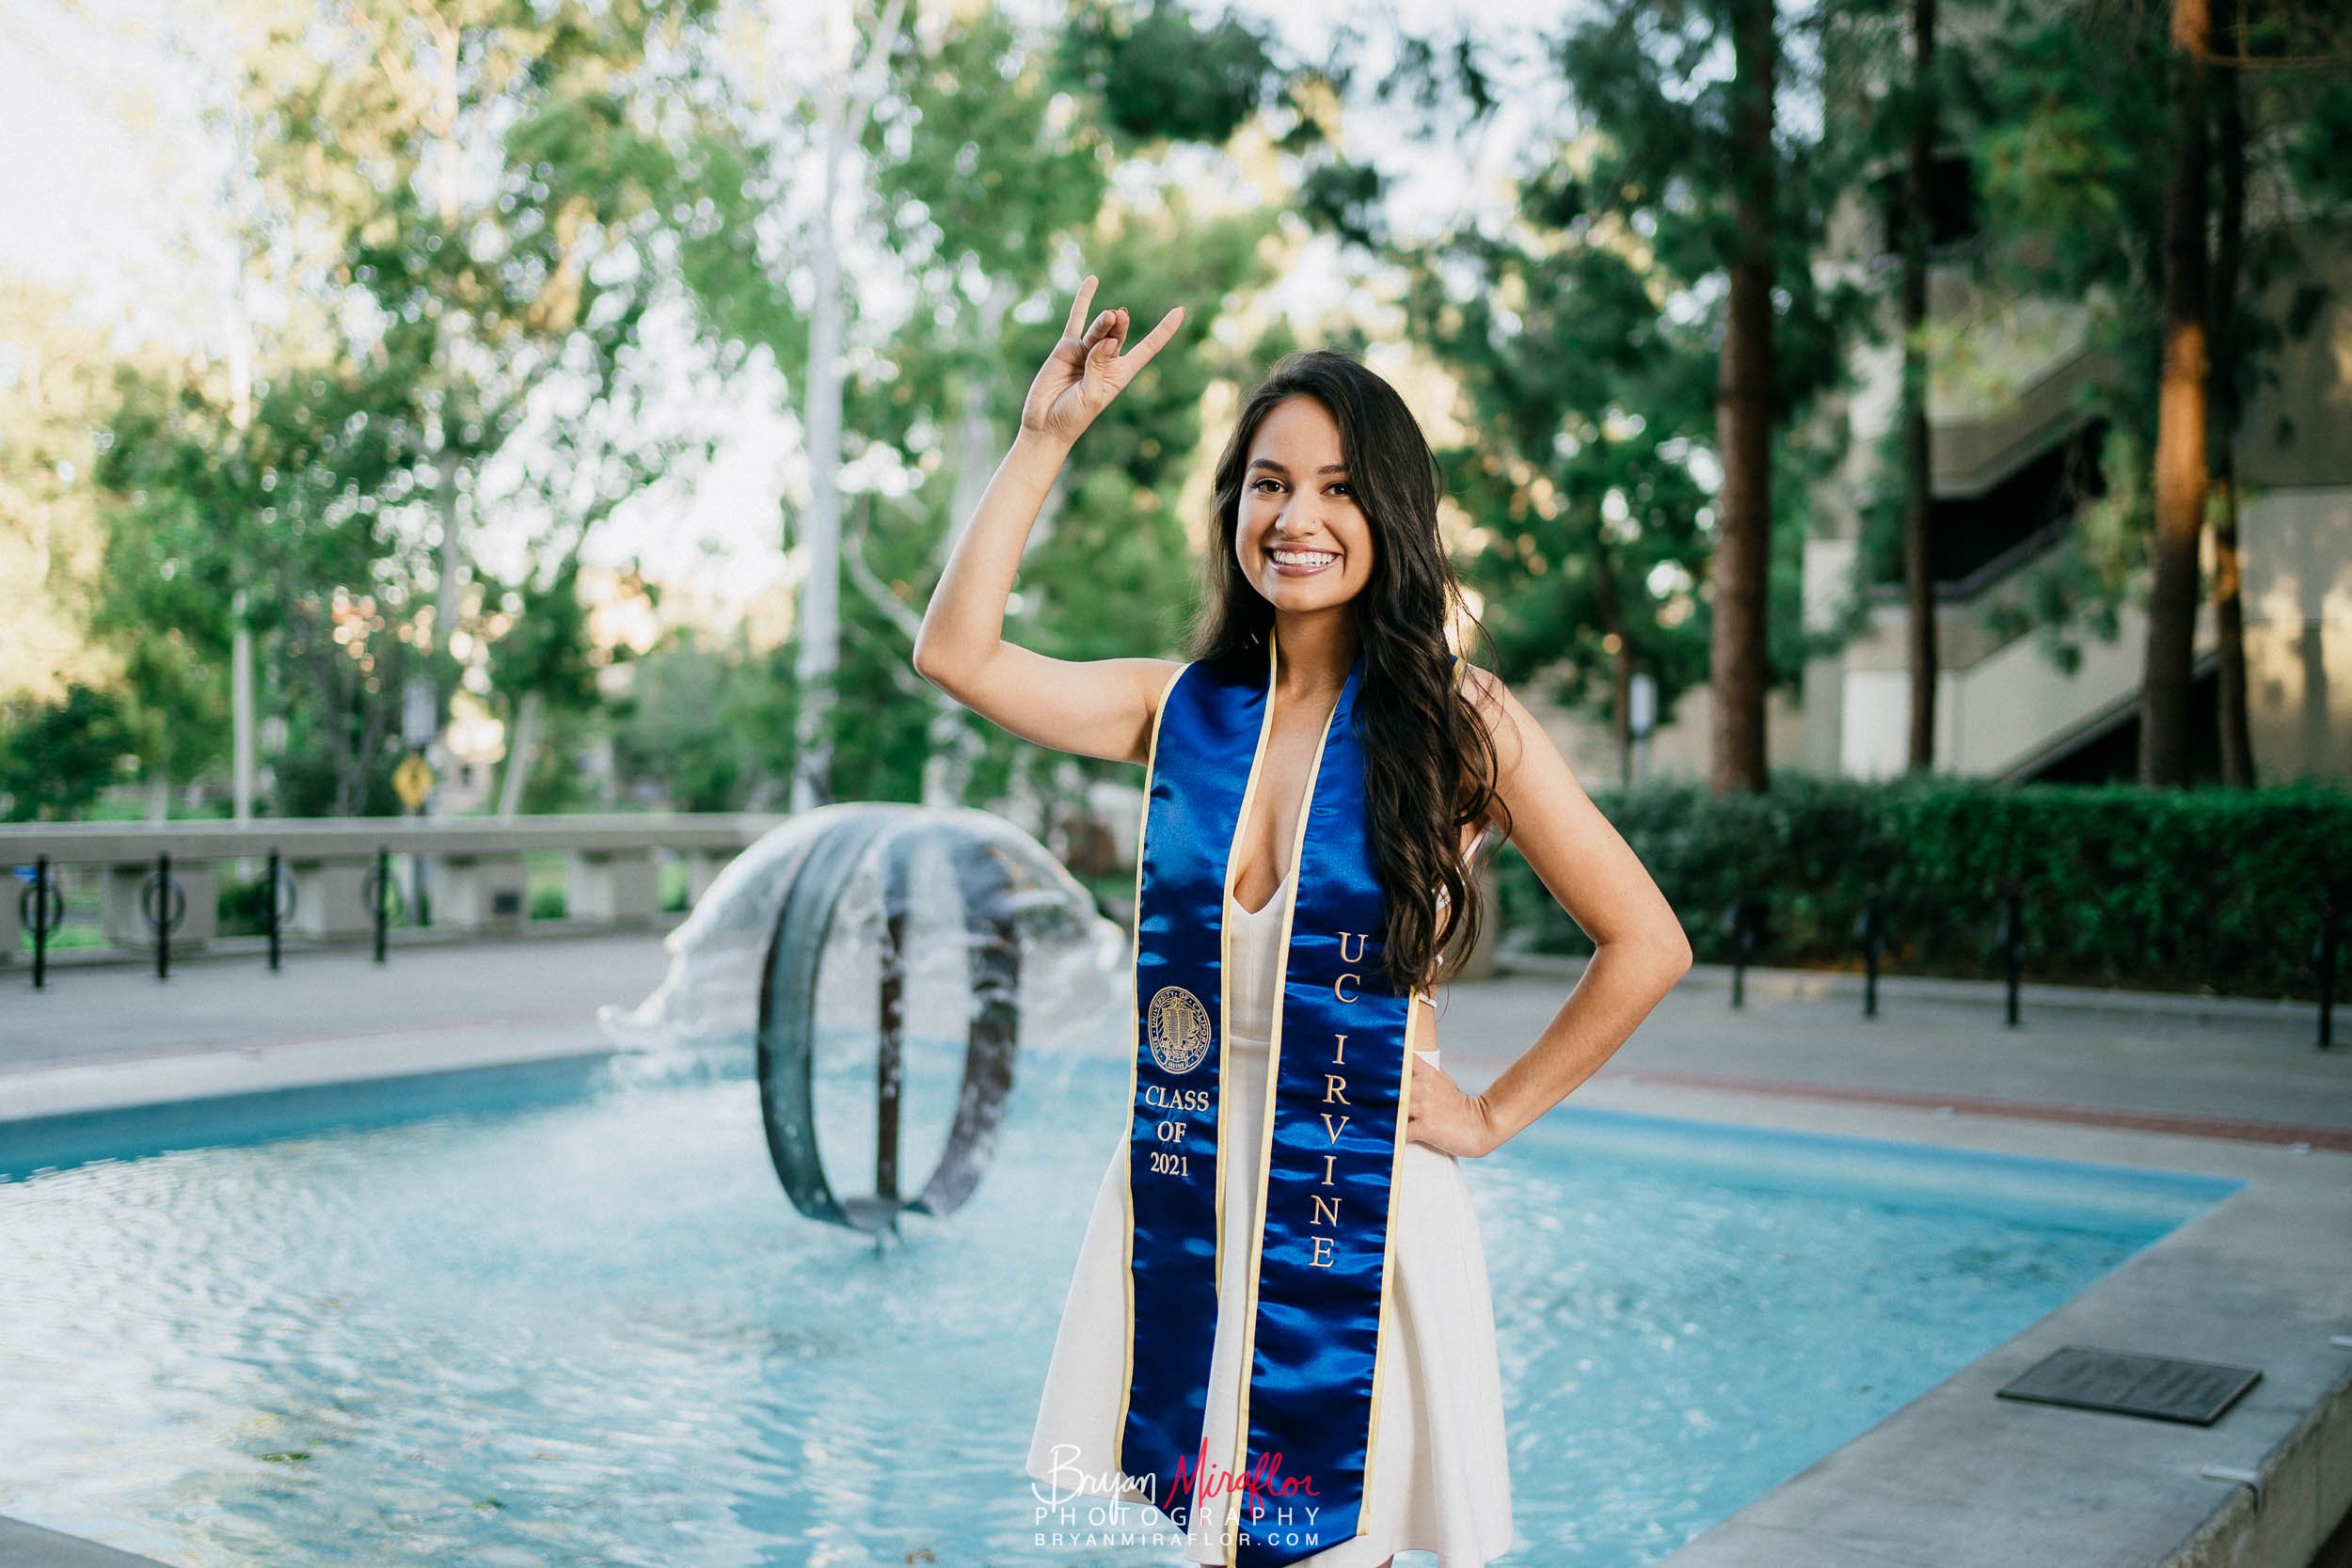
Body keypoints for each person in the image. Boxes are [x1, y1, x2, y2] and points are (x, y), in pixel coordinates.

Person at [913, 277, 1692, 1567]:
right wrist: (1044, 436)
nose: (1299, 517)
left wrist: (1493, 1116)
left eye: (1337, 487)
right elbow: (960, 656)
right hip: (1196, 1195)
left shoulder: (1459, 724)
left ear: (1390, 512)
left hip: (1356, 1205)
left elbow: (1646, 942)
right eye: (1269, 484)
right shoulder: (1183, 712)